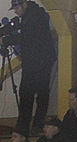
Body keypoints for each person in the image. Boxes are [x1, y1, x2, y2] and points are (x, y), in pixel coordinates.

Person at [4, 0, 57, 133]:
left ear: (23, 5)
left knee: (33, 93)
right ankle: (30, 124)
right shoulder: (30, 15)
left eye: (16, 8)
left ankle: (30, 125)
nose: (16, 11)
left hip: (39, 62)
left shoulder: (35, 17)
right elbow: (14, 26)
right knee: (34, 93)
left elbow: (26, 37)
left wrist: (5, 40)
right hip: (35, 62)